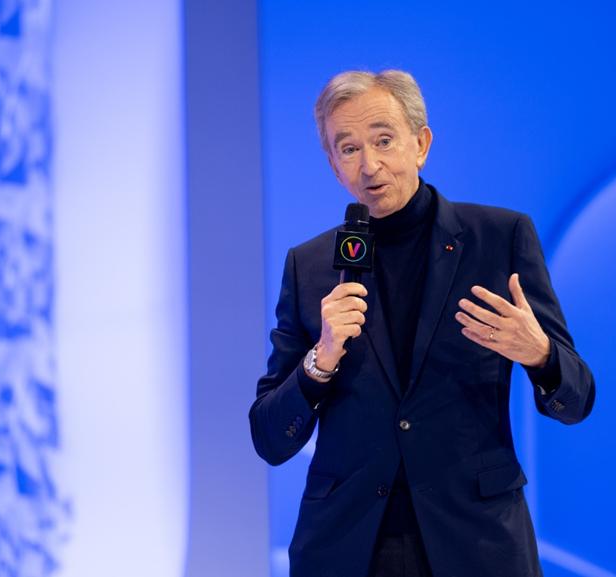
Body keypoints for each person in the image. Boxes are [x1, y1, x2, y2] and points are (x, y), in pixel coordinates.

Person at [249, 70, 595, 577]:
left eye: (384, 140)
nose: (369, 164)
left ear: (421, 143)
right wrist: (319, 360)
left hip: (476, 543)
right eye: (348, 149)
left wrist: (540, 355)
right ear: (333, 165)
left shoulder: (499, 239)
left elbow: (577, 399)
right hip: (348, 548)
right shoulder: (311, 266)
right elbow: (269, 437)